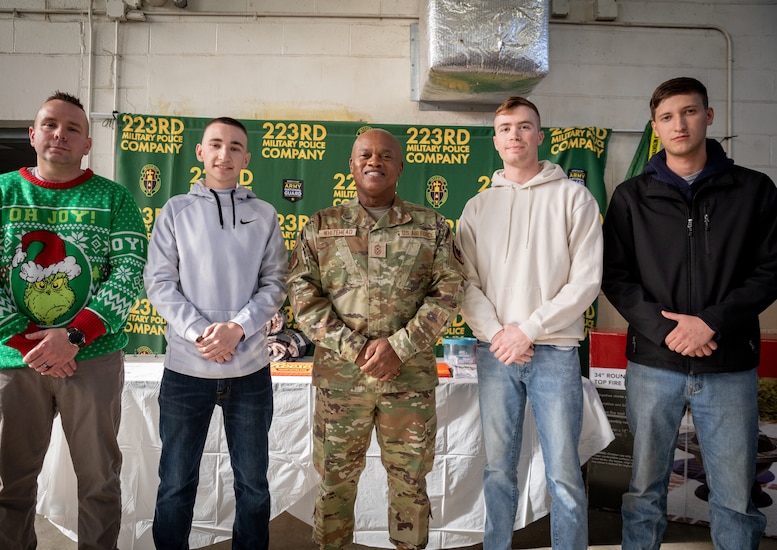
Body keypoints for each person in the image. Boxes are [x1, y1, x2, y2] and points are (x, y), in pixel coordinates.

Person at [0, 91, 148, 549]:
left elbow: (129, 274)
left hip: (93, 358)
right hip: (10, 362)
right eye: (50, 124)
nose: (60, 133)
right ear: (33, 135)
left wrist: (75, 337)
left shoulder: (114, 199)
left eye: (73, 128)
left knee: (100, 482)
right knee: (9, 483)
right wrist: (31, 346)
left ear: (87, 144)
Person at [602, 76, 777, 550]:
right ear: (655, 127)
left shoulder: (754, 190)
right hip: (654, 365)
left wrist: (711, 322)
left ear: (708, 116)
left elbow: (771, 269)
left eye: (689, 111)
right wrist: (666, 330)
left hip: (728, 365)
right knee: (643, 492)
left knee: (736, 497)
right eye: (666, 116)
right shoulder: (631, 197)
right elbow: (615, 276)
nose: (679, 124)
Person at [287, 128, 464, 550]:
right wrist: (356, 348)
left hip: (409, 382)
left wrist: (399, 348)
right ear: (350, 166)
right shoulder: (320, 226)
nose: (374, 161)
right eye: (364, 154)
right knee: (334, 481)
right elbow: (302, 295)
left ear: (400, 166)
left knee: (410, 483)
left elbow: (449, 291)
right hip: (340, 382)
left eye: (385, 155)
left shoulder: (432, 227)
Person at [455, 96, 603, 550]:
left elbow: (586, 281)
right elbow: (463, 284)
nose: (514, 135)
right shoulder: (477, 207)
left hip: (555, 352)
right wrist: (501, 334)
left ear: (540, 136)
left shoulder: (574, 198)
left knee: (563, 473)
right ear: (495, 140)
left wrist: (528, 330)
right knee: (498, 469)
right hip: (496, 355)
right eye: (505, 128)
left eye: (524, 127)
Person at [143, 117, 288, 550]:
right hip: (187, 371)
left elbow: (276, 284)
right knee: (175, 483)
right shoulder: (175, 211)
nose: (225, 154)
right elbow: (160, 282)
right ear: (201, 153)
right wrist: (202, 332)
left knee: (254, 486)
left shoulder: (264, 215)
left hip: (250, 374)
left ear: (247, 157)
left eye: (235, 147)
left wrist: (238, 329)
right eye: (216, 145)